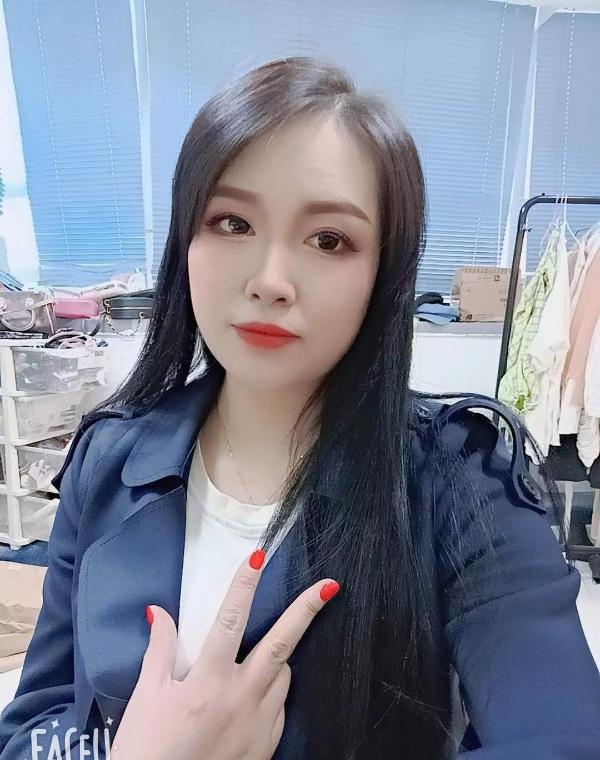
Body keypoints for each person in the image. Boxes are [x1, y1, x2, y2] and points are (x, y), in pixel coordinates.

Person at [0, 57, 598, 760]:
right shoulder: (107, 459)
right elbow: (35, 724)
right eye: (232, 222)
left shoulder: (462, 479)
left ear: (383, 272)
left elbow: (563, 739)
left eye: (329, 240)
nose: (271, 281)